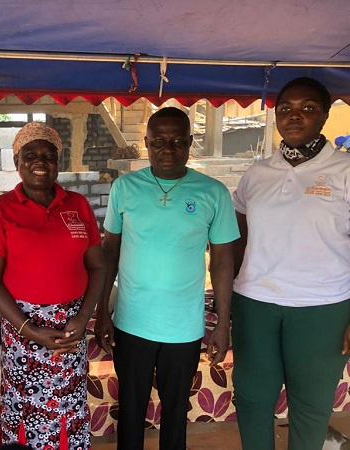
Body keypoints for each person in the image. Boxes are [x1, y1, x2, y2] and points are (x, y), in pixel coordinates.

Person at [94, 107, 240, 450]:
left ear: (190, 143)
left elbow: (222, 259)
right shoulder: (125, 188)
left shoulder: (213, 192)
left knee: (176, 413)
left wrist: (221, 322)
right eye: (159, 140)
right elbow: (109, 252)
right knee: (130, 410)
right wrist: (103, 311)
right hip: (131, 323)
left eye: (177, 140)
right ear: (146, 143)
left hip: (184, 327)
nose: (168, 148)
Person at [232, 77, 350, 450]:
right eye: (286, 109)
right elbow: (238, 230)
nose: (294, 116)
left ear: (325, 115)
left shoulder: (345, 171)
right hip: (255, 304)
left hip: (323, 308)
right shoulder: (258, 172)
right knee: (252, 399)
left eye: (307, 108)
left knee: (311, 406)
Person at [0, 122, 105, 449]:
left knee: (67, 405)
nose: (40, 161)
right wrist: (29, 330)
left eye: (49, 156)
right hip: (22, 329)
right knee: (27, 409)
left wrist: (82, 318)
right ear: (16, 161)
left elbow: (97, 266)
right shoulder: (1, 210)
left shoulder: (77, 205)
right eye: (30, 154)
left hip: (70, 328)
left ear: (58, 163)